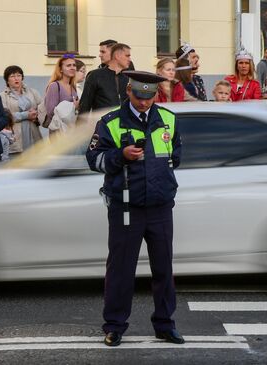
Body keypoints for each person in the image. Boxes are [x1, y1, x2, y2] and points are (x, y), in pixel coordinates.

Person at [86, 70, 183, 348]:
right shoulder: (110, 122)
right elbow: (94, 159)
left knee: (163, 269)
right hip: (125, 207)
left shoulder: (168, 119)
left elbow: (175, 156)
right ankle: (115, 326)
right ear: (128, 92)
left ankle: (165, 324)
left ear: (156, 94)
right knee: (121, 270)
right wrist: (120, 156)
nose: (143, 102)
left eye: (149, 96)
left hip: (160, 206)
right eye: (139, 96)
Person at [0, 65, 43, 155]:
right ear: (7, 80)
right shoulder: (2, 96)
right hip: (15, 136)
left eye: (19, 75)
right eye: (12, 76)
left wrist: (36, 116)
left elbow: (42, 109)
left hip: (33, 133)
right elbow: (4, 117)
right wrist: (26, 115)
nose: (16, 78)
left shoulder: (32, 92)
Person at [79, 43, 131, 114]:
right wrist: (81, 124)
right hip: (102, 123)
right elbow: (85, 105)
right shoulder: (95, 75)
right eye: (127, 56)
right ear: (117, 56)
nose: (129, 59)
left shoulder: (127, 78)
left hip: (123, 123)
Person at [44, 55, 79, 135]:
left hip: (70, 131)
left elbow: (76, 111)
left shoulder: (73, 87)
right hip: (58, 132)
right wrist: (72, 107)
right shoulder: (54, 86)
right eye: (68, 65)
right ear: (61, 69)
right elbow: (51, 112)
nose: (72, 68)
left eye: (74, 65)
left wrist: (77, 108)